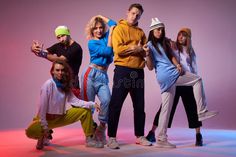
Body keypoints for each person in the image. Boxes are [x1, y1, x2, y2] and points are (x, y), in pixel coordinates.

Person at [144, 18, 218, 148]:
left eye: (162, 29)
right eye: (157, 29)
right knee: (198, 80)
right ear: (152, 31)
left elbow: (173, 57)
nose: (160, 32)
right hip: (171, 76)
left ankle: (161, 138)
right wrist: (146, 54)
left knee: (166, 109)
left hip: (176, 77)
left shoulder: (168, 44)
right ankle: (202, 111)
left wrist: (177, 64)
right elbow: (150, 66)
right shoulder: (155, 45)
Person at [25, 60, 100, 150]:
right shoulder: (48, 84)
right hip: (44, 119)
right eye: (57, 70)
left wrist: (92, 104)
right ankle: (42, 136)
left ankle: (89, 140)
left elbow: (75, 101)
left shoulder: (65, 85)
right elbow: (42, 107)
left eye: (62, 70)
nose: (60, 73)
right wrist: (44, 127)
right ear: (52, 71)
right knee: (31, 132)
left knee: (85, 111)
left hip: (60, 117)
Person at [107, 3, 152, 149]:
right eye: (133, 13)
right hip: (122, 71)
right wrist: (135, 47)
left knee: (139, 106)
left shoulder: (141, 32)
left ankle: (140, 136)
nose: (135, 16)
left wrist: (139, 49)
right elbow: (119, 50)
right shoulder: (119, 29)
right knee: (115, 105)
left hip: (138, 72)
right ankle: (112, 137)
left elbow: (145, 52)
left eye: (138, 15)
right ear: (127, 12)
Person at [81, 15, 116, 148]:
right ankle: (89, 137)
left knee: (107, 100)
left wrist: (99, 16)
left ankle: (101, 129)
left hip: (103, 75)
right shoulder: (91, 42)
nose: (99, 31)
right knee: (89, 107)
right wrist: (111, 33)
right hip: (90, 74)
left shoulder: (107, 36)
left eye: (101, 28)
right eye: (96, 28)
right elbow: (108, 52)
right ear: (92, 30)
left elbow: (115, 24)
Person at [31, 25, 83, 98]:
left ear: (68, 33)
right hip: (59, 79)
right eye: (58, 37)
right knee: (56, 103)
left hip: (72, 80)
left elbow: (61, 60)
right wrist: (34, 49)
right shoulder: (58, 45)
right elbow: (44, 52)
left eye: (63, 36)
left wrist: (42, 54)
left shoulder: (76, 47)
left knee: (77, 103)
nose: (61, 39)